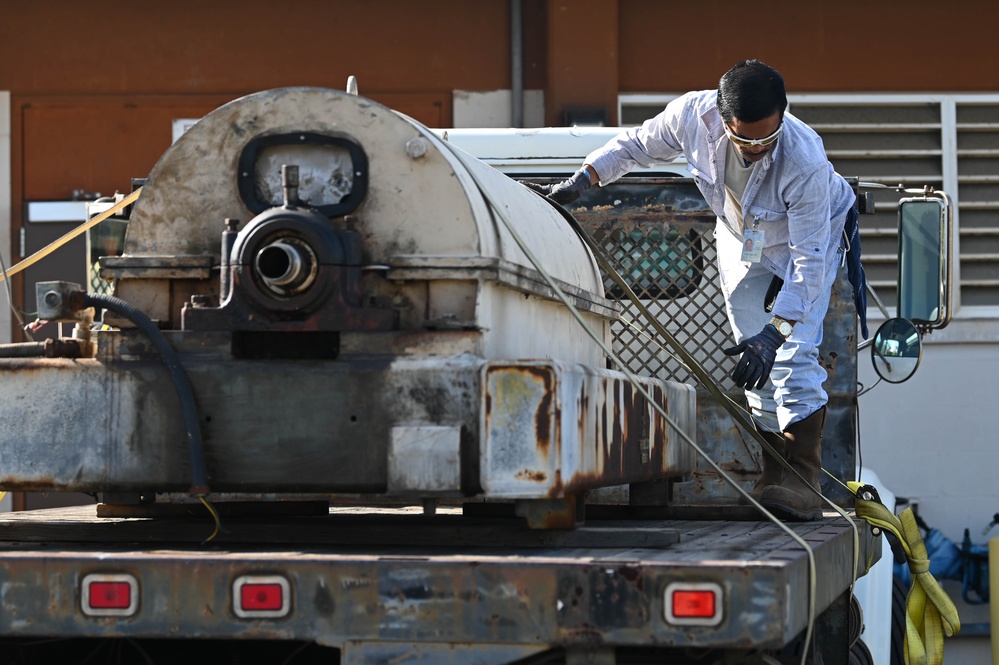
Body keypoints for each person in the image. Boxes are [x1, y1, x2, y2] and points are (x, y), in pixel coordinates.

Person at [540, 59, 863, 521]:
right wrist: (585, 178)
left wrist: (778, 332)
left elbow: (809, 264)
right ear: (720, 115)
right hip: (741, 235)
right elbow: (635, 146)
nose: (754, 149)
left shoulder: (804, 160)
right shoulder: (692, 115)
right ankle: (774, 474)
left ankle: (803, 479)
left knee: (792, 352)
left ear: (783, 116)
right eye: (743, 138)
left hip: (807, 239)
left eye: (765, 139)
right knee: (752, 355)